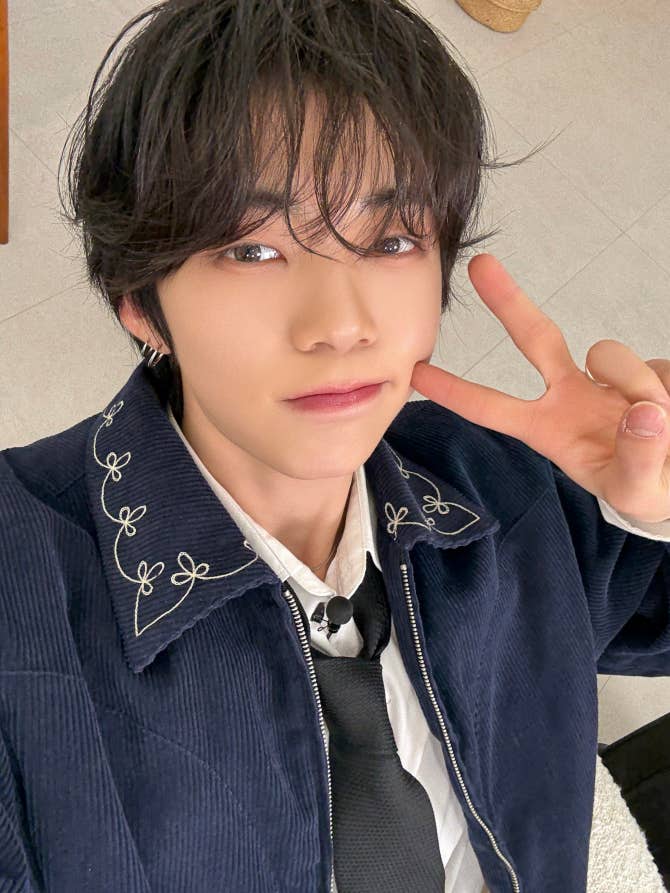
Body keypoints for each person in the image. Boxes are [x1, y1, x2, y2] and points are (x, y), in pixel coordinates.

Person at [1, 1, 668, 891]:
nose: (343, 324)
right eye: (252, 249)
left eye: (391, 239)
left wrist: (657, 503)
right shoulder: (21, 581)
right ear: (138, 300)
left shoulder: (506, 481)